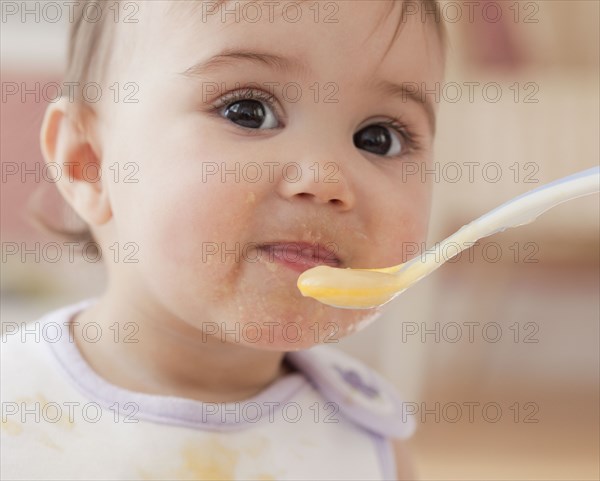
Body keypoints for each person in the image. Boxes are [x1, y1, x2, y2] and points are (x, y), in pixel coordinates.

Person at [2, 1, 446, 479]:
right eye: (248, 112)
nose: (325, 179)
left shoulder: (367, 449)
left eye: (378, 138)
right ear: (89, 164)